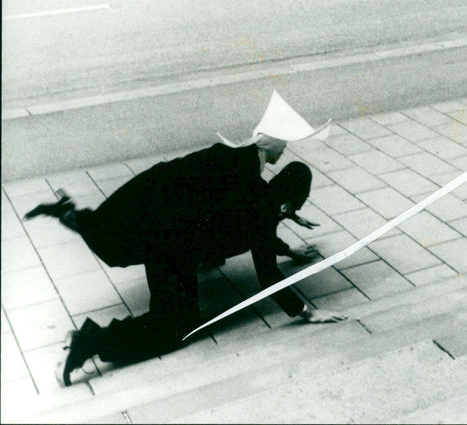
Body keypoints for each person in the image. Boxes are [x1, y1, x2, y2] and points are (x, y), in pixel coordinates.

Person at [24, 92, 345, 387]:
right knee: (176, 326)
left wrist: (289, 245)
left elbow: (251, 226)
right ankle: (87, 344)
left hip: (150, 200)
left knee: (111, 243)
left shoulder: (236, 159)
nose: (285, 148)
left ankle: (71, 214)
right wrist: (307, 312)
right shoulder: (256, 196)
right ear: (270, 145)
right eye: (284, 143)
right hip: (169, 235)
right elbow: (266, 268)